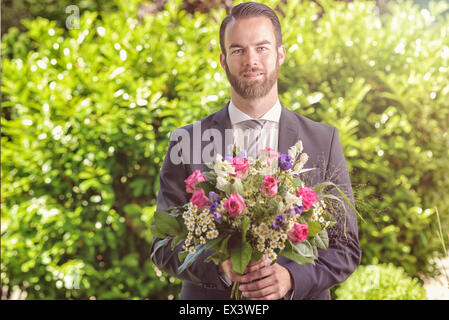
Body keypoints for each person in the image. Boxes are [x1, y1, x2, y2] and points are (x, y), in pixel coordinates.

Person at [150, 2, 361, 300]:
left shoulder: (322, 140)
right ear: (223, 60)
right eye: (238, 50)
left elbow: (346, 248)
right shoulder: (186, 141)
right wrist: (221, 269)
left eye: (262, 48)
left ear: (280, 54)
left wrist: (291, 279)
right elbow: (163, 242)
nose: (251, 60)